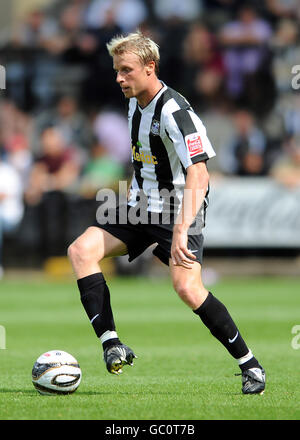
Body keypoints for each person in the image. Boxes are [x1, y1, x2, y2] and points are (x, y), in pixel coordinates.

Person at [68, 31, 266, 395]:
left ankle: (250, 365)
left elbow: (200, 173)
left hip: (178, 212)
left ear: (150, 67)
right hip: (140, 207)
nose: (119, 78)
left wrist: (180, 230)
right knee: (81, 251)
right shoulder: (133, 102)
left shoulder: (175, 110)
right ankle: (112, 344)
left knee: (188, 289)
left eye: (126, 70)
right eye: (116, 70)